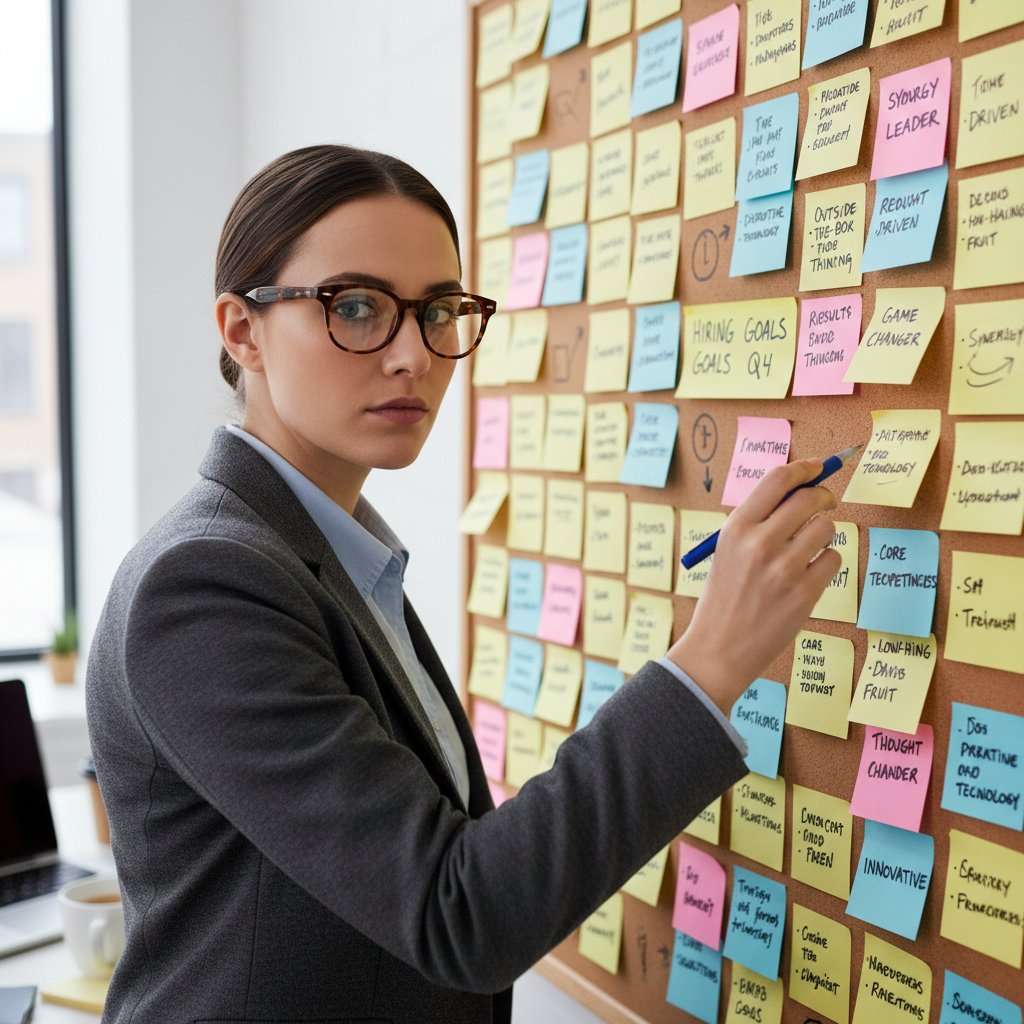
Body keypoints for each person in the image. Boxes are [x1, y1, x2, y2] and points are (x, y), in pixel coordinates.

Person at [86, 144, 841, 1024]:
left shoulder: (328, 555)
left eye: (439, 311)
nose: (415, 354)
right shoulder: (206, 584)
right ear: (241, 330)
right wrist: (712, 659)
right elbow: (459, 913)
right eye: (356, 307)